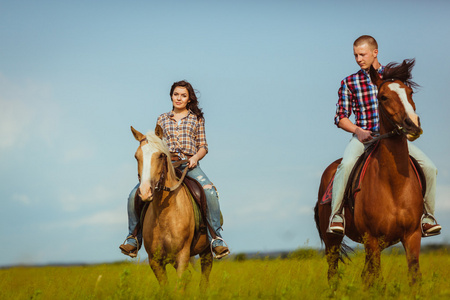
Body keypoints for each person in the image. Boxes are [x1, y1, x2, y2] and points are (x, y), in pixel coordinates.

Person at [328, 35, 442, 237]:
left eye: (362, 54)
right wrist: (358, 131)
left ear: (375, 52)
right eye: (355, 55)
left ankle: (428, 218)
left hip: (393, 138)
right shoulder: (350, 82)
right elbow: (340, 117)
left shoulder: (394, 80)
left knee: (430, 168)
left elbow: (406, 106)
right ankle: (337, 215)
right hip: (364, 139)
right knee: (345, 166)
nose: (358, 59)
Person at [119, 80, 230, 259]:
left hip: (189, 164)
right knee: (134, 195)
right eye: (176, 94)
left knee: (209, 192)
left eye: (183, 95)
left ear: (188, 99)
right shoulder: (162, 119)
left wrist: (195, 158)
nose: (179, 98)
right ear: (171, 96)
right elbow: (157, 144)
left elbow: (203, 146)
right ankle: (133, 238)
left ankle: (215, 238)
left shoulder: (196, 119)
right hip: (165, 166)